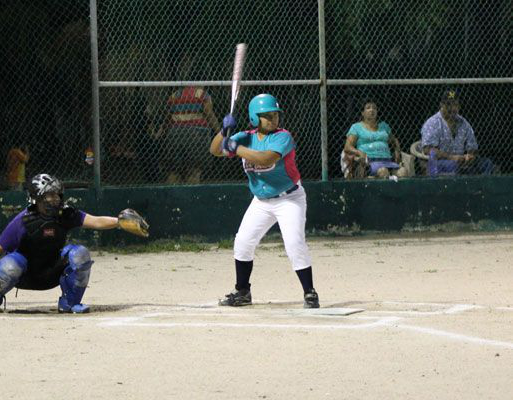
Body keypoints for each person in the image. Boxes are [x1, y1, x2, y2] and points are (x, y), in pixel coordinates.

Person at [0, 173, 148, 313]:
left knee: (80, 253)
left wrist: (118, 222)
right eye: (49, 196)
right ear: (35, 198)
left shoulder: (65, 215)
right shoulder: (23, 221)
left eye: (56, 195)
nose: (55, 199)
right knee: (10, 264)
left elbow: (95, 221)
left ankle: (70, 302)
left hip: (51, 272)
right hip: (25, 274)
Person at [209, 93, 319, 308]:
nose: (273, 119)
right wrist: (223, 132)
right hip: (261, 201)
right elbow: (214, 150)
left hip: (290, 199)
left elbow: (266, 158)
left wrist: (235, 148)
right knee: (242, 242)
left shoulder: (283, 137)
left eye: (275, 115)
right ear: (254, 118)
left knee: (294, 243)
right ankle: (242, 291)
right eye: (267, 116)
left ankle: (310, 292)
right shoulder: (244, 137)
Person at [420, 89, 494, 176]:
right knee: (453, 165)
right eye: (448, 104)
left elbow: (473, 147)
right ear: (441, 105)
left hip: (462, 161)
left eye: (455, 104)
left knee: (486, 163)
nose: (452, 108)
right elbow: (428, 150)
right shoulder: (432, 123)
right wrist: (452, 158)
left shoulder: (464, 123)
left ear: (459, 106)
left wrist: (469, 157)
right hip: (440, 162)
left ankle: (481, 189)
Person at [158, 85, 220, 184]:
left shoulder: (174, 95)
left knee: (174, 171)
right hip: (197, 134)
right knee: (194, 171)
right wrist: (219, 132)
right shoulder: (202, 95)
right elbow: (208, 113)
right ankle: (192, 196)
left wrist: (162, 131)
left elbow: (168, 117)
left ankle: (171, 196)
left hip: (175, 133)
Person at [343, 99, 407, 179]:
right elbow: (347, 147)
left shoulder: (384, 126)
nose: (372, 110)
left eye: (374, 108)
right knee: (383, 172)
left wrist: (397, 151)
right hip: (369, 163)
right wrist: (359, 152)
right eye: (368, 108)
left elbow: (394, 140)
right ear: (362, 113)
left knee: (403, 172)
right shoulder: (356, 127)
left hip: (387, 161)